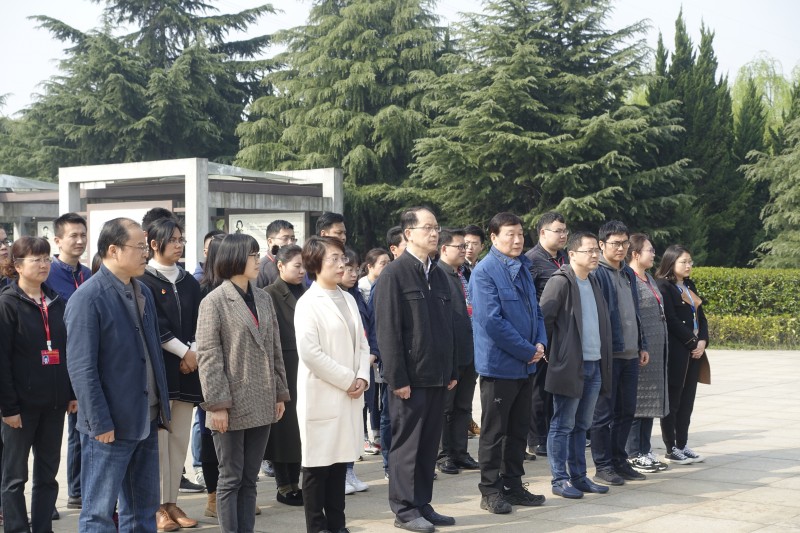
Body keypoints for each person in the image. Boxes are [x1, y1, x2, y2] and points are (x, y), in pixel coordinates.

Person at [65, 217, 171, 532]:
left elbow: (151, 353)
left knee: (143, 511)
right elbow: (82, 367)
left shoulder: (142, 291)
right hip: (109, 425)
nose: (146, 253)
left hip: (145, 417)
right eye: (139, 247)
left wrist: (161, 409)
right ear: (113, 250)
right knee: (98, 514)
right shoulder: (88, 297)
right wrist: (99, 422)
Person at [196, 233, 288, 532]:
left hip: (262, 398)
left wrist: (280, 393)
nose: (258, 260)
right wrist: (217, 405)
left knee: (250, 479)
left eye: (258, 254)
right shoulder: (214, 301)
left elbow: (275, 348)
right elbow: (209, 356)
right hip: (230, 402)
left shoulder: (263, 297)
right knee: (230, 478)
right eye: (252, 255)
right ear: (234, 258)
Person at [374, 207, 458, 533]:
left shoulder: (438, 274)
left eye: (437, 227)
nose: (435, 233)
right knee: (407, 447)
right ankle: (405, 509)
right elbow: (388, 331)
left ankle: (422, 503)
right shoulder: (395, 274)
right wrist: (397, 378)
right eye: (428, 228)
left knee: (427, 446)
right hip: (410, 379)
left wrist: (451, 369)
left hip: (437, 375)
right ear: (408, 233)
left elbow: (448, 326)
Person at [470, 212, 547, 515]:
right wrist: (527, 350)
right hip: (500, 366)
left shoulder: (523, 266)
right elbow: (492, 321)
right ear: (493, 237)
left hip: (526, 364)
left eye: (520, 234)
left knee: (518, 430)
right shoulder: (485, 271)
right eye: (510, 234)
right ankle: (490, 490)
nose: (517, 240)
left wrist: (540, 343)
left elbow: (536, 311)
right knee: (494, 432)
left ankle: (513, 486)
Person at [294, 236, 371, 533]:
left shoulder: (348, 298)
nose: (341, 265)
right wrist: (348, 379)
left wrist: (362, 376)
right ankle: (317, 526)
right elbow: (310, 353)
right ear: (315, 264)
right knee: (317, 466)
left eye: (342, 258)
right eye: (334, 259)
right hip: (322, 394)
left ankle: (338, 525)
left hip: (349, 394)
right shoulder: (308, 303)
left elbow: (362, 343)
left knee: (340, 463)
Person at [0, 237, 76, 533]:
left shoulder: (57, 302)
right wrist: (8, 408)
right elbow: (2, 361)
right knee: (15, 477)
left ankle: (43, 528)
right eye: (36, 259)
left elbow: (68, 352)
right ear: (18, 266)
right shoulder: (7, 304)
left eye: (46, 258)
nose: (44, 265)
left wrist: (71, 393)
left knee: (47, 475)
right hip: (20, 408)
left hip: (54, 404)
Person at [138, 217, 203, 531]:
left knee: (179, 440)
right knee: (159, 442)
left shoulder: (190, 282)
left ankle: (172, 501)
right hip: (161, 370)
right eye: (173, 240)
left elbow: (201, 320)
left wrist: (194, 352)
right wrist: (183, 352)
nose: (179, 245)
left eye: (181, 240)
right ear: (154, 244)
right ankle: (156, 507)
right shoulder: (144, 280)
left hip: (189, 369)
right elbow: (154, 324)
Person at [540, 231, 612, 499]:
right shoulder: (560, 282)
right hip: (570, 365)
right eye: (589, 250)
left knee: (582, 425)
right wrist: (552, 356)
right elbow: (544, 321)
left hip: (594, 364)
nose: (594, 255)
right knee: (563, 424)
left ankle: (579, 476)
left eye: (596, 251)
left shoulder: (593, 281)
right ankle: (559, 479)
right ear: (571, 254)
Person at [590, 220, 649, 486]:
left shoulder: (627, 273)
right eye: (615, 243)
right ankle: (603, 465)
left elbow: (635, 312)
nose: (621, 248)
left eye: (625, 243)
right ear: (602, 245)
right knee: (603, 414)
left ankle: (619, 460)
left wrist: (642, 344)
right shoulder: (597, 274)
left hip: (631, 354)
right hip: (609, 354)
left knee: (627, 411)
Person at [45, 213, 92, 511]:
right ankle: (46, 500)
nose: (79, 240)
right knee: (48, 438)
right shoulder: (47, 274)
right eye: (73, 235)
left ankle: (77, 490)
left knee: (80, 428)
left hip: (83, 360)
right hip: (52, 364)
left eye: (83, 235)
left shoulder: (88, 273)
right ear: (57, 240)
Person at [655, 245, 710, 465]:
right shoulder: (663, 286)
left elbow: (701, 317)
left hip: (695, 352)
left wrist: (703, 340)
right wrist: (692, 342)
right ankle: (671, 448)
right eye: (683, 262)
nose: (688, 266)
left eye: (690, 262)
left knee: (687, 401)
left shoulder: (689, 285)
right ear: (671, 262)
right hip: (678, 352)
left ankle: (683, 443)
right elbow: (670, 319)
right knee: (674, 400)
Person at [433, 228, 479, 476]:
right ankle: (443, 454)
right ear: (444, 249)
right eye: (460, 246)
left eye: (466, 246)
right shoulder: (436, 275)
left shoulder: (465, 273)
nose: (465, 250)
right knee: (445, 407)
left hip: (470, 348)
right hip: (449, 352)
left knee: (463, 405)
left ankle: (460, 452)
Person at [263, 244, 306, 507]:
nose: (302, 271)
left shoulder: (307, 292)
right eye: (296, 266)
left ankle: (296, 483)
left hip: (305, 366)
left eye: (304, 266)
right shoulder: (269, 294)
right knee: (283, 430)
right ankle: (284, 485)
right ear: (280, 266)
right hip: (284, 366)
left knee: (300, 428)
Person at [525, 211, 570, 459]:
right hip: (543, 334)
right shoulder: (532, 260)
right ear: (543, 232)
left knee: (557, 387)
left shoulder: (565, 259)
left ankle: (555, 433)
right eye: (558, 231)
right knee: (539, 388)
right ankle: (536, 438)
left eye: (565, 231)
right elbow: (530, 301)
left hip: (565, 334)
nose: (563, 235)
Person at [625, 234, 669, 473]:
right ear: (635, 254)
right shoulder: (629, 278)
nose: (653, 254)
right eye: (649, 250)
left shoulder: (648, 277)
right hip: (641, 350)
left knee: (651, 402)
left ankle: (644, 449)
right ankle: (633, 453)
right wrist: (640, 344)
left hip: (656, 351)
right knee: (637, 402)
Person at [338, 248, 378, 493]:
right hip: (343, 369)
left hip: (364, 366)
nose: (353, 274)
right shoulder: (332, 297)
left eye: (355, 269)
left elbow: (371, 329)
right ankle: (340, 473)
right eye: (348, 269)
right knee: (342, 423)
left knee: (356, 420)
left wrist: (371, 355)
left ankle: (350, 469)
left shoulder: (357, 296)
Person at [197, 233, 227, 519]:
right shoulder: (204, 290)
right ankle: (213, 496)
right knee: (210, 434)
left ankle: (232, 492)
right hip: (210, 373)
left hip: (238, 374)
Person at [256, 220, 297, 288]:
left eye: (292, 238)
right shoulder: (260, 268)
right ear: (270, 241)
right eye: (285, 238)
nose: (290, 243)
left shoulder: (297, 265)